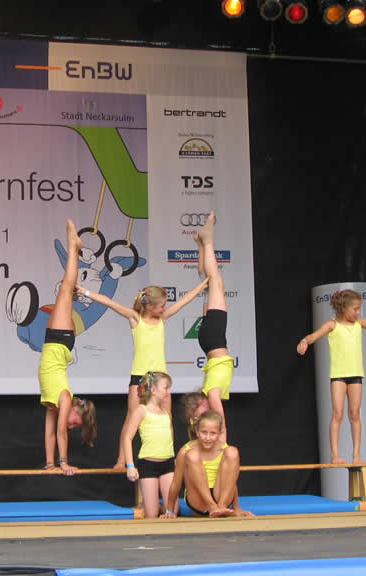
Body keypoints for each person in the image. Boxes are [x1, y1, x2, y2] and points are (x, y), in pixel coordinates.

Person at [77, 271, 208, 468]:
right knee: (132, 418)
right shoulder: (135, 319)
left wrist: (202, 286)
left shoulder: (163, 319)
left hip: (161, 378)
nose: (164, 308)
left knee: (167, 419)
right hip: (139, 377)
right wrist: (84, 291)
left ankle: (168, 457)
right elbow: (108, 302)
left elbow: (184, 301)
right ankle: (122, 460)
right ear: (150, 305)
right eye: (161, 306)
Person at [297, 289, 366, 463]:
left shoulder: (359, 323)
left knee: (355, 414)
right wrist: (305, 341)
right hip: (339, 376)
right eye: (355, 309)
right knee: (338, 413)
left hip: (356, 375)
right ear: (344, 308)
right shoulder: (332, 325)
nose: (358, 312)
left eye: (359, 309)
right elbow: (314, 335)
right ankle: (335, 455)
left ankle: (356, 455)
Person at [39, 219, 97, 474]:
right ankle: (73, 246)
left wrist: (51, 465)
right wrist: (65, 464)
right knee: (65, 288)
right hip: (59, 340)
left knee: (65, 291)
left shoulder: (54, 403)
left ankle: (74, 246)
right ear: (75, 409)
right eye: (76, 422)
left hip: (55, 341)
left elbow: (50, 433)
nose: (72, 426)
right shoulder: (64, 397)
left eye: (75, 426)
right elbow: (61, 431)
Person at [191, 211, 234, 441]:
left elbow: (220, 421)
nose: (201, 404)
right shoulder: (210, 390)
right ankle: (202, 245)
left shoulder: (212, 392)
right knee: (210, 283)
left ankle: (207, 241)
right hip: (211, 342)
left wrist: (223, 445)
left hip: (214, 340)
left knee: (215, 281)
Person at [163, 411, 253, 518]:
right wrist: (169, 511)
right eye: (204, 432)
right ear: (197, 431)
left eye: (213, 433)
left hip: (220, 498)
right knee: (191, 455)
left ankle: (221, 507)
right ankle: (212, 507)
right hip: (198, 500)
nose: (208, 438)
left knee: (232, 451)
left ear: (220, 433)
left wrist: (236, 507)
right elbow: (176, 483)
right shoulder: (185, 450)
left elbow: (231, 481)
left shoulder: (224, 448)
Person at [121, 372, 176, 518]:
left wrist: (173, 456)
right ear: (153, 390)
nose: (169, 392)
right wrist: (130, 466)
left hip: (168, 464)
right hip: (148, 465)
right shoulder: (141, 410)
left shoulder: (165, 412)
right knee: (152, 515)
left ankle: (157, 506)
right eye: (166, 388)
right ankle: (148, 505)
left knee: (172, 512)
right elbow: (127, 438)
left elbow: (169, 436)